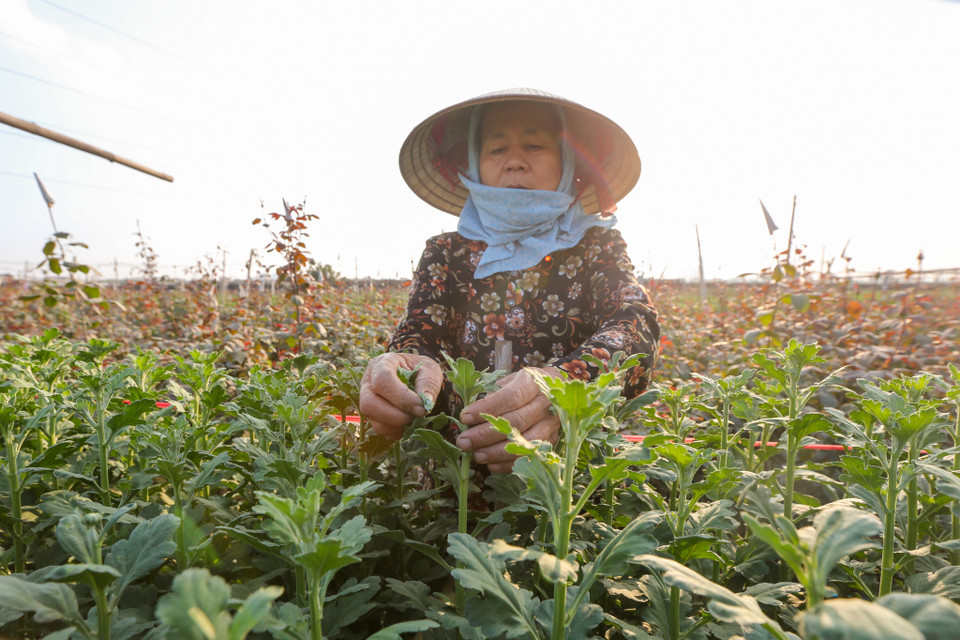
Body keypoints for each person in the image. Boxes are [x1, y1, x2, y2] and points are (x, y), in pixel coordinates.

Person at [359, 88, 660, 473]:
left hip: (564, 478)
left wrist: (563, 386)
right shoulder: (446, 253)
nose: (515, 162)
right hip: (456, 478)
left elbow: (634, 321)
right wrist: (405, 364)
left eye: (534, 145)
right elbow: (421, 333)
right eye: (497, 150)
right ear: (473, 164)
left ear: (568, 162)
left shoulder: (595, 247)